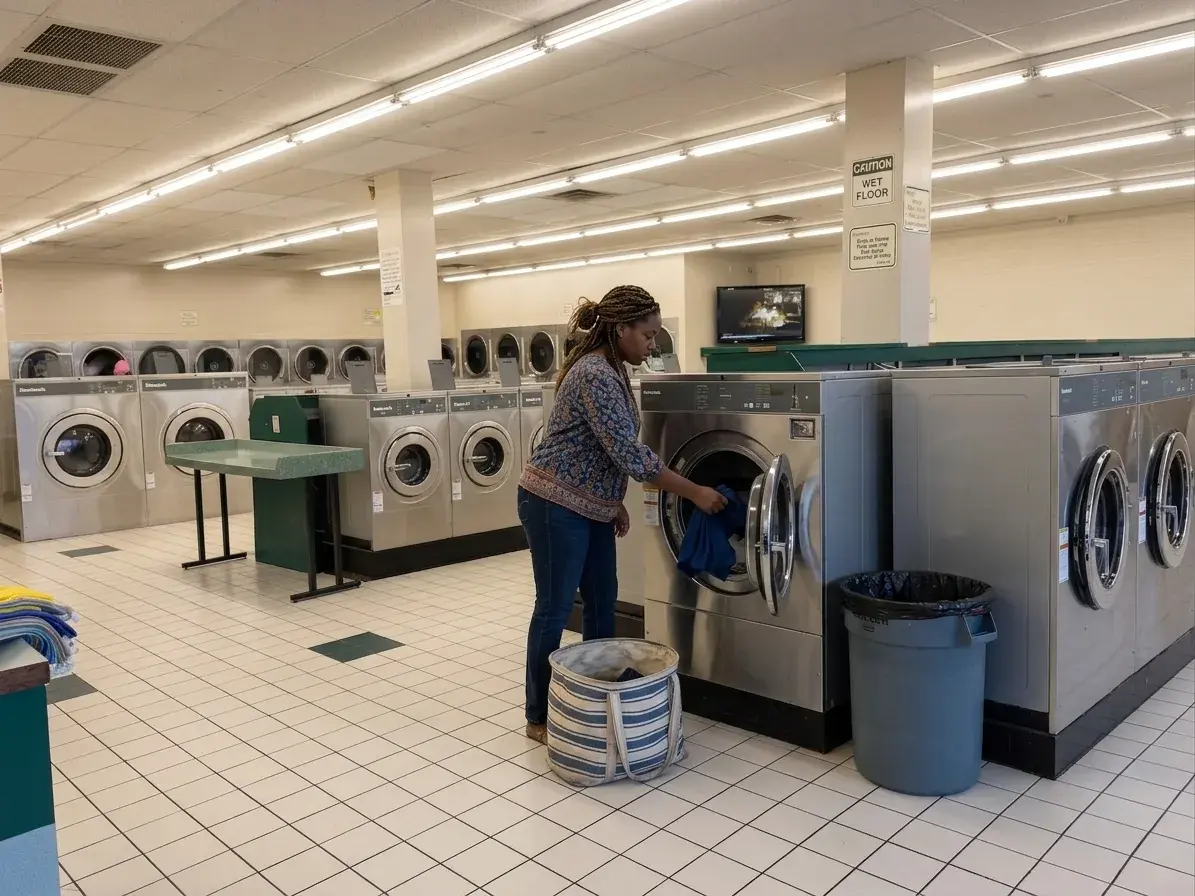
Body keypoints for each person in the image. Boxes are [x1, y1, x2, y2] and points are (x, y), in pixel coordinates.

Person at [518, 284, 729, 743]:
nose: (653, 345)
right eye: (649, 336)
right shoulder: (595, 373)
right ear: (621, 329)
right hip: (554, 503)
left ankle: (597, 698)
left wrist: (610, 502)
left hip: (588, 505)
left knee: (601, 602)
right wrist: (695, 492)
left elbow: (602, 449)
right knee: (554, 609)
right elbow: (633, 457)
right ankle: (538, 716)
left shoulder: (612, 368)